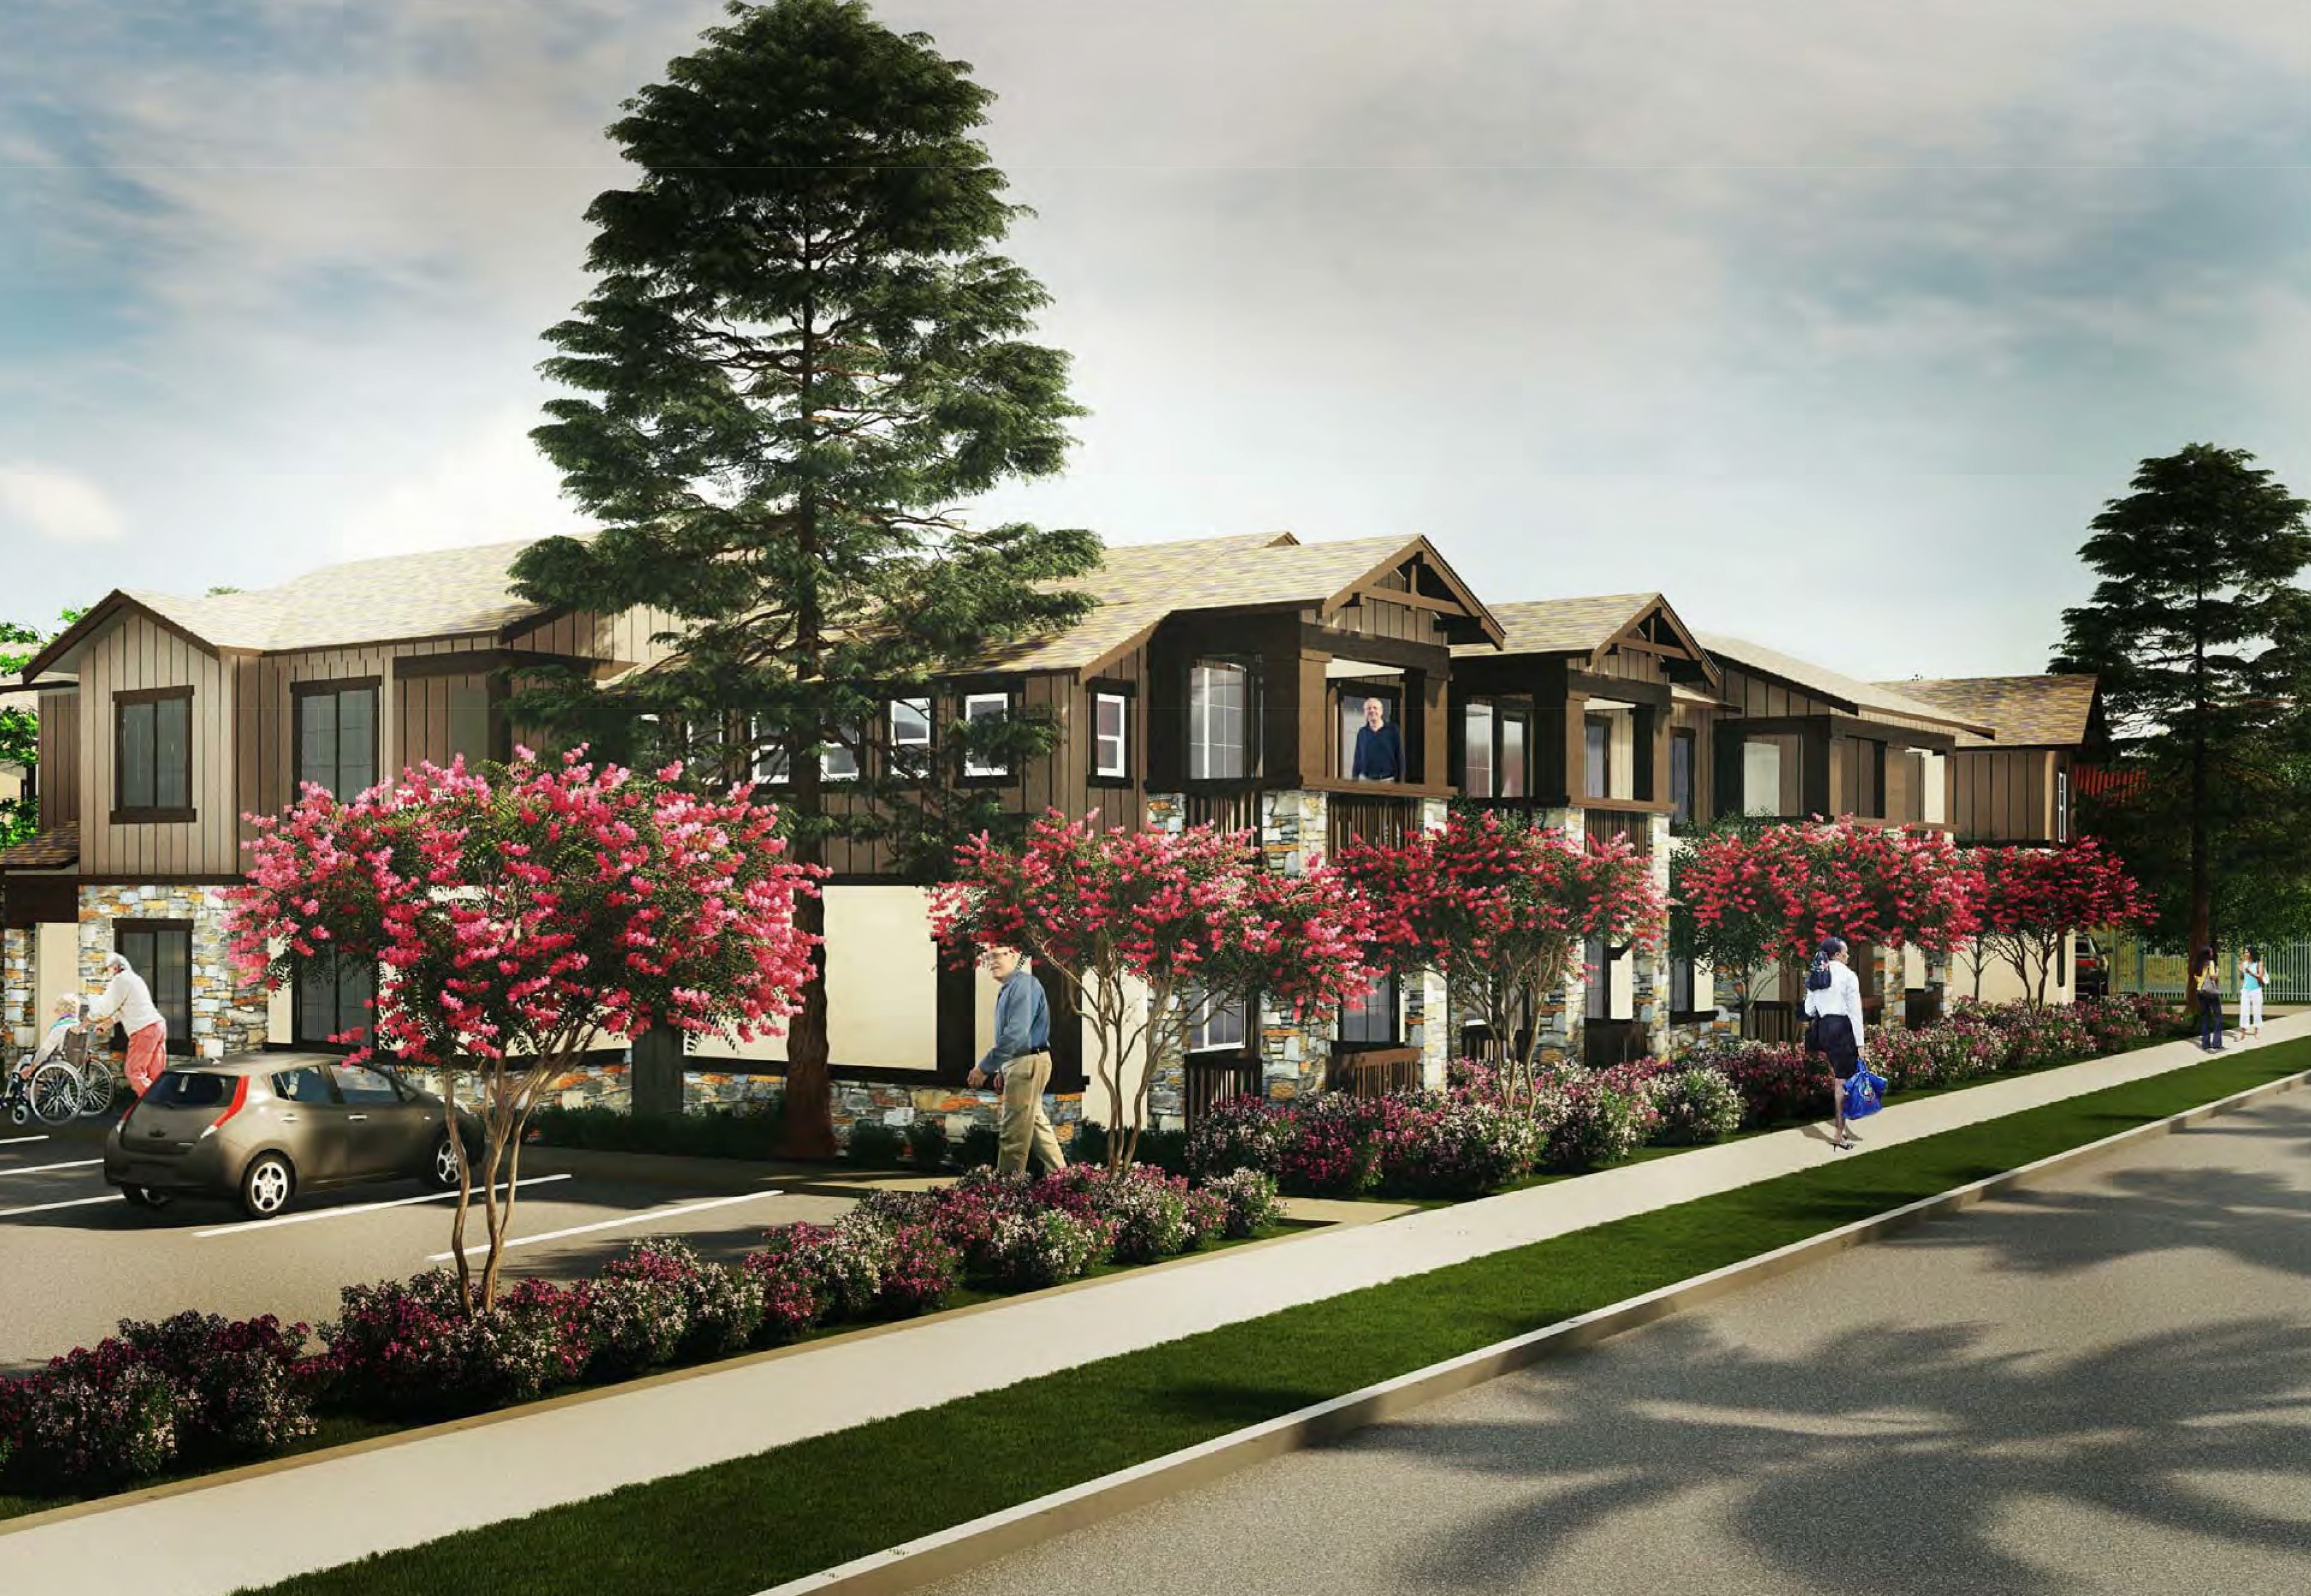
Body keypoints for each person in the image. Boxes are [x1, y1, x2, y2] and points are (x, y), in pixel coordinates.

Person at [967, 946, 1065, 1177]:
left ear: (1013, 955)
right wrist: (1003, 1069)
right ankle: (1064, 1180)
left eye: (997, 955)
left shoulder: (1024, 986)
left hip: (1027, 1062)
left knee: (1013, 1133)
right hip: (1023, 1061)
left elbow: (1016, 1034)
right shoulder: (1012, 987)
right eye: (987, 957)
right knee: (1036, 1123)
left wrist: (985, 1068)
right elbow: (1015, 1035)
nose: (991, 961)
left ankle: (1007, 1189)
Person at [1801, 936, 1867, 1151]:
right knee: (1842, 1083)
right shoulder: (1848, 976)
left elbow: (1809, 1009)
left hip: (1823, 1029)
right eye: (1846, 953)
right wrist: (1860, 1044)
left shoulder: (1817, 974)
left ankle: (1842, 1129)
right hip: (1842, 1029)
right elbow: (1855, 1012)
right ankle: (1839, 1134)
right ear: (1837, 954)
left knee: (1838, 1079)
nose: (1848, 956)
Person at [87, 951, 168, 1095]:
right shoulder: (135, 979)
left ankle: (155, 1103)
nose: (107, 974)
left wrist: (88, 1020)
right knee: (154, 1073)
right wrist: (107, 1024)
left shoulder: (120, 980)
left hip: (144, 1029)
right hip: (158, 1025)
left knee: (134, 1072)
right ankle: (166, 1102)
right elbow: (126, 1008)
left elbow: (105, 1008)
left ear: (115, 968)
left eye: (107, 970)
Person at [1351, 696, 1404, 782]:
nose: (1372, 711)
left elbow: (1400, 757)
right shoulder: (1362, 732)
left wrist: (1401, 782)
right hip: (1366, 781)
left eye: (1375, 708)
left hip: (1388, 781)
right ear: (1365, 713)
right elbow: (1358, 758)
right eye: (1369, 708)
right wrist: (1354, 779)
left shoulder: (1393, 730)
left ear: (1381, 711)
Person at [2193, 946, 2224, 1051]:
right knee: (2218, 1016)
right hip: (2210, 993)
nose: (2212, 953)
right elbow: (2213, 977)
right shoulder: (2210, 963)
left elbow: (2197, 979)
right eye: (2211, 951)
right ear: (2207, 954)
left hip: (2200, 992)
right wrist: (2218, 972)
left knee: (2205, 1017)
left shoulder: (2197, 965)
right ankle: (2217, 1043)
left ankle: (2205, 1044)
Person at [2238, 946, 2267, 1039]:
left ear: (2252, 953)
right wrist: (2241, 970)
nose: (2245, 954)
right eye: (2245, 952)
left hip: (2256, 990)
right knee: (2244, 1011)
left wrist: (2250, 973)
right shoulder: (2244, 964)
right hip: (2246, 990)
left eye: (2247, 952)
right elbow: (2242, 977)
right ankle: (2243, 1033)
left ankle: (2256, 1032)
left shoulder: (2259, 963)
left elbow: (2260, 976)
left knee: (2257, 1011)